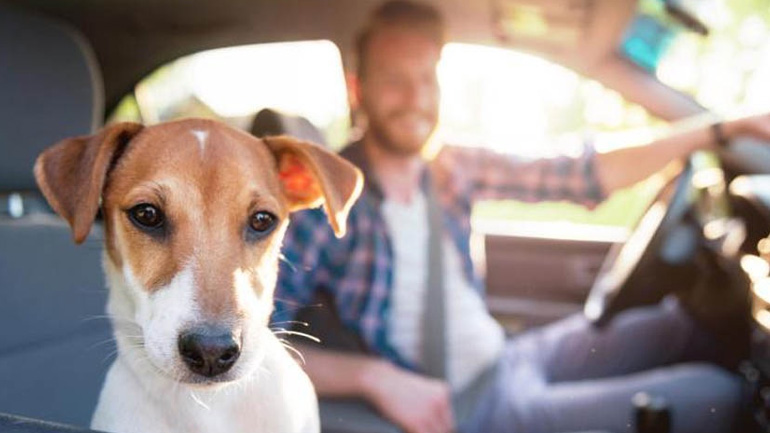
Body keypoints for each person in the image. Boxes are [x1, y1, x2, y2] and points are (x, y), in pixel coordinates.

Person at [272, 2, 770, 432]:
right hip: (475, 407)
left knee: (679, 324)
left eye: (426, 79)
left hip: (511, 356)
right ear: (358, 89)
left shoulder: (451, 166)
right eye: (395, 81)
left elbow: (584, 173)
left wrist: (720, 131)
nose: (416, 98)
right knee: (721, 394)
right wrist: (372, 377)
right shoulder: (325, 201)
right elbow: (259, 347)